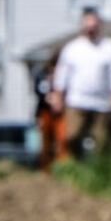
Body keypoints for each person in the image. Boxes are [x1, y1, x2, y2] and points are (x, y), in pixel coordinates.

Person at [52, 8, 111, 157]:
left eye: (94, 25)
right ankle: (76, 166)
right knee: (72, 136)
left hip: (102, 102)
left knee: (102, 141)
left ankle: (98, 172)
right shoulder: (72, 48)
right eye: (88, 25)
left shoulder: (110, 47)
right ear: (82, 25)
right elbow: (62, 74)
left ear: (99, 25)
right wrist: (58, 95)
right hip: (77, 100)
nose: (91, 29)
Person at [33, 44, 70, 172]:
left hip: (62, 113)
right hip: (45, 112)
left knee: (63, 141)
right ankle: (45, 170)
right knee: (46, 143)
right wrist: (50, 98)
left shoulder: (68, 75)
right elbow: (39, 91)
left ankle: (64, 169)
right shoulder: (43, 74)